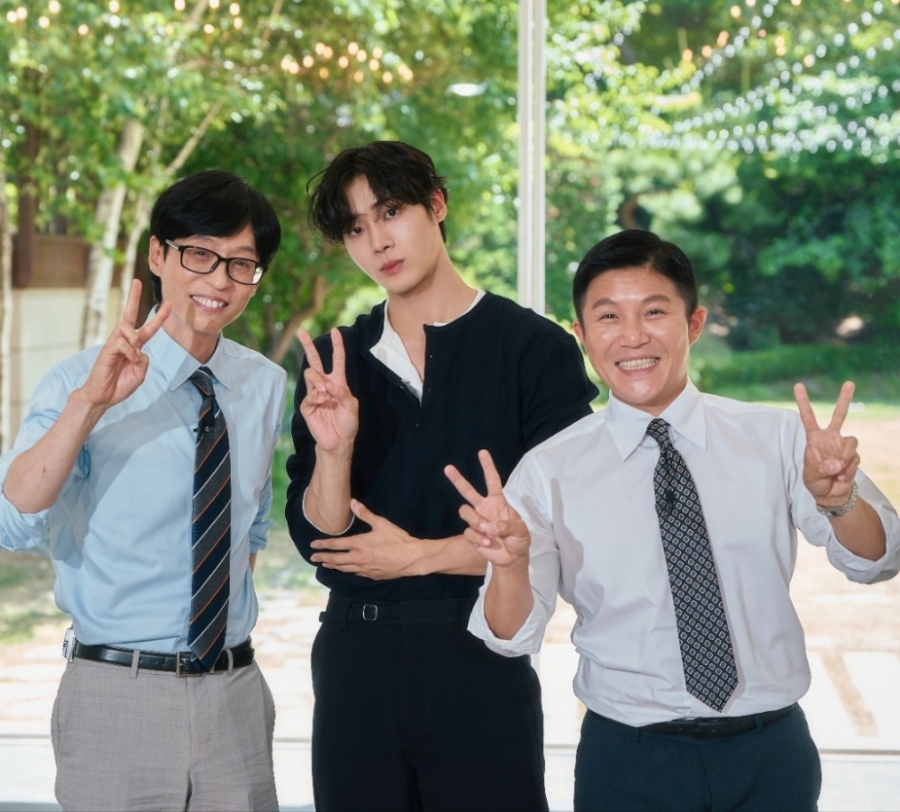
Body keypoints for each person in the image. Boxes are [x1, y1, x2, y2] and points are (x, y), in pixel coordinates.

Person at [446, 228, 900, 812]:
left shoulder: (778, 438)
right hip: (628, 761)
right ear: (581, 335)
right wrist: (508, 566)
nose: (633, 336)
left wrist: (838, 501)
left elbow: (878, 560)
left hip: (770, 754)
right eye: (608, 317)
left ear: (694, 323)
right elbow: (509, 637)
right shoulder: (548, 470)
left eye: (654, 312)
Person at [284, 140, 598, 811]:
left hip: (480, 652)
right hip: (357, 658)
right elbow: (322, 541)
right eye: (355, 229)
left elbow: (560, 529)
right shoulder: (338, 360)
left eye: (390, 212)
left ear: (436, 204)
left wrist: (418, 557)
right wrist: (335, 451)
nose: (377, 241)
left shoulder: (535, 350)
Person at [0, 170, 285, 811]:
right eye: (200, 254)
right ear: (158, 255)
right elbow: (13, 516)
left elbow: (250, 531)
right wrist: (89, 405)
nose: (219, 280)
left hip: (234, 695)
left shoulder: (264, 384)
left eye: (241, 264)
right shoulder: (80, 381)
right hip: (116, 694)